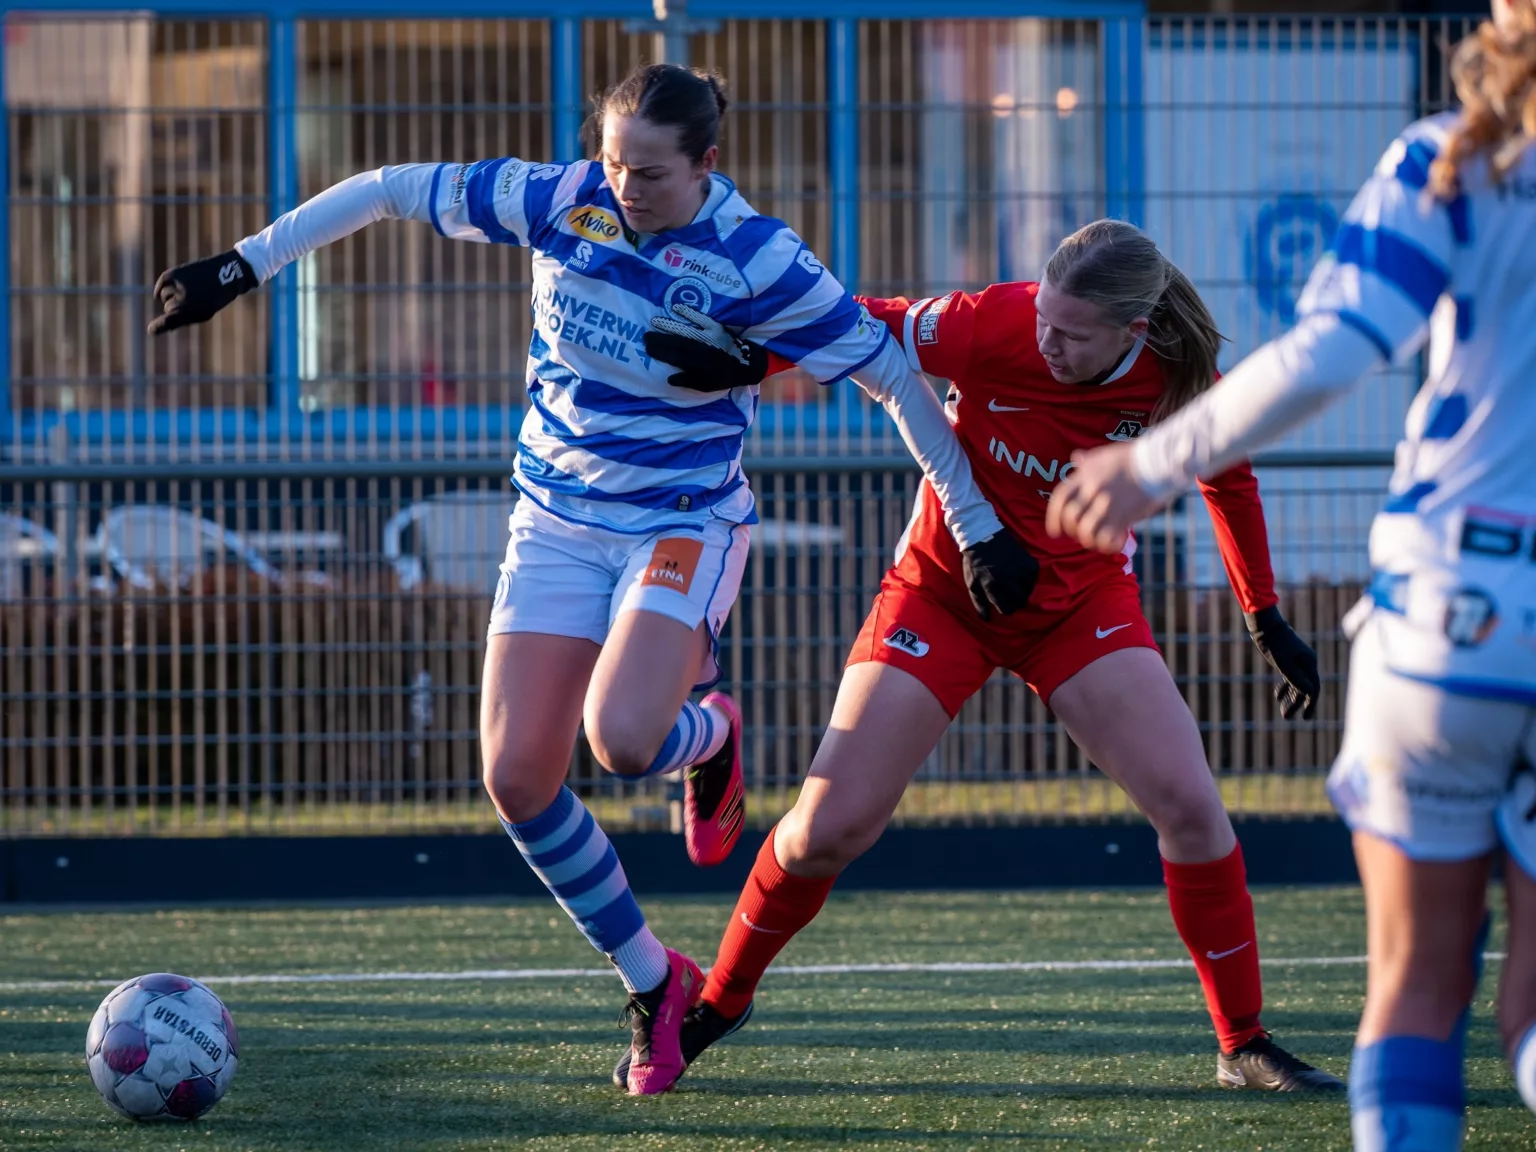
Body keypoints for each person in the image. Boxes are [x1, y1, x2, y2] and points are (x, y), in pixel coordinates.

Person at [145, 63, 1036, 1096]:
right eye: (613, 162)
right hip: (555, 522)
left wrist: (974, 524)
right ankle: (654, 983)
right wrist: (245, 266)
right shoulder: (562, 199)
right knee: (518, 779)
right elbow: (388, 185)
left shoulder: (759, 261)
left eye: (650, 172)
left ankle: (709, 733)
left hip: (679, 524)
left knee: (621, 741)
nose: (624, 188)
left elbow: (892, 374)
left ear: (708, 164)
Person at [610, 218, 1342, 1095]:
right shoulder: (992, 321)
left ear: (1131, 333)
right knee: (827, 831)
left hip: (1077, 608)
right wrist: (749, 360)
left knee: (1192, 809)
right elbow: (856, 324)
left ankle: (1244, 1042)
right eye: (1044, 319)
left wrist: (1262, 613)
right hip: (941, 594)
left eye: (1071, 334)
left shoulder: (1174, 371)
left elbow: (1227, 475)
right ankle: (716, 1003)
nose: (1047, 339)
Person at [1048, 4, 1536, 1147]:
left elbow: (1334, 345)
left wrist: (1152, 462)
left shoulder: (1452, 158)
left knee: (1417, 989)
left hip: (1447, 620)